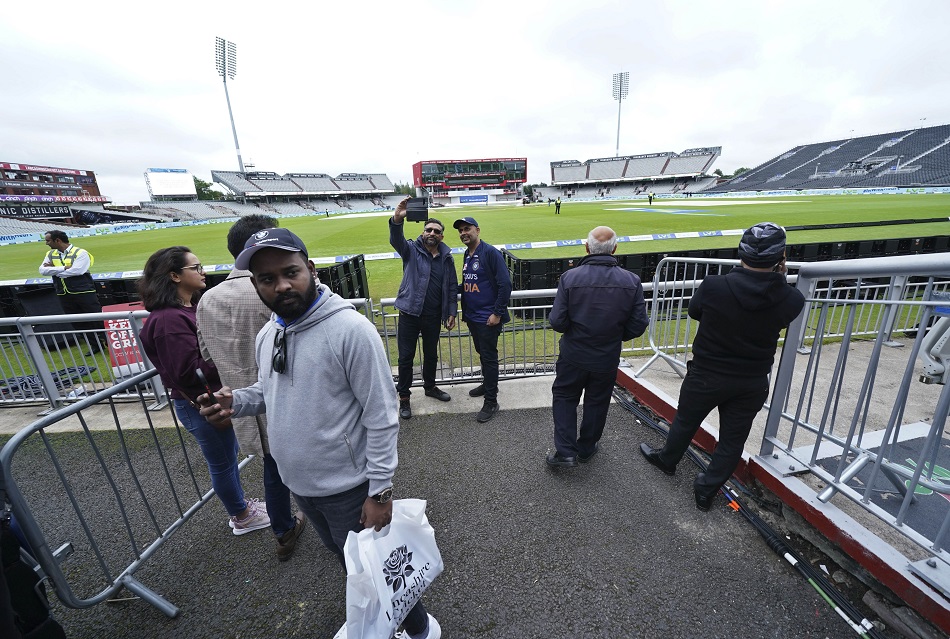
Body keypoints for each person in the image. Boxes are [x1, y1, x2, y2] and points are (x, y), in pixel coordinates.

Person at [197, 229, 440, 639]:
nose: (281, 285)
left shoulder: (351, 330)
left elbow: (381, 417)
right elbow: (272, 391)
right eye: (267, 279)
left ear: (310, 268)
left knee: (378, 567)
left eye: (290, 272)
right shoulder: (269, 333)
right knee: (349, 562)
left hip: (349, 487)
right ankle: (388, 621)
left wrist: (379, 491)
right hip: (301, 485)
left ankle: (418, 631)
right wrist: (236, 401)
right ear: (256, 284)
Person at [640, 222, 806, 510]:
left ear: (741, 253)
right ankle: (706, 491)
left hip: (707, 372)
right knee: (732, 440)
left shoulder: (715, 285)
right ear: (781, 258)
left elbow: (695, 312)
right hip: (751, 380)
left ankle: (667, 461)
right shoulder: (792, 297)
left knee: (685, 422)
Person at [196, 216, 306, 561]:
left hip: (238, 402)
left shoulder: (207, 299)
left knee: (272, 467)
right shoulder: (265, 292)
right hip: (280, 396)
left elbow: (203, 353)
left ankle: (285, 527)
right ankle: (286, 529)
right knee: (283, 468)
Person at [138, 246, 270, 535]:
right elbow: (187, 371)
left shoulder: (183, 311)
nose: (203, 272)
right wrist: (227, 355)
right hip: (200, 403)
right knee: (222, 464)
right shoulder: (168, 320)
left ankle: (242, 507)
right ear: (174, 276)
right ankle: (242, 516)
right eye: (195, 268)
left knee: (228, 458)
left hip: (209, 400)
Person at [546, 226, 649, 468]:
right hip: (606, 356)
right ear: (614, 249)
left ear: (586, 248)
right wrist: (613, 337)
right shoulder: (631, 280)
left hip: (574, 354)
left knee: (564, 397)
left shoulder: (570, 278)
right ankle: (586, 447)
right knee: (597, 402)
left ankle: (565, 452)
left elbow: (557, 321)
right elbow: (638, 325)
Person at [389, 199, 458, 420]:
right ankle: (404, 398)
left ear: (441, 236)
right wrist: (397, 220)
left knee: (431, 355)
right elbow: (396, 239)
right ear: (422, 232)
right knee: (406, 357)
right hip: (409, 313)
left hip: (433, 316)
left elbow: (451, 287)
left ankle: (430, 387)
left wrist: (451, 312)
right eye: (428, 229)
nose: (432, 233)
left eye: (436, 231)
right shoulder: (410, 249)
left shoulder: (447, 258)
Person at [453, 216, 512, 423]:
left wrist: (497, 313)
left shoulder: (490, 253)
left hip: (488, 319)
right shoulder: (467, 255)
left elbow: (505, 285)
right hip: (472, 317)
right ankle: (489, 385)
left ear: (477, 230)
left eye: (467, 229)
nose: (463, 233)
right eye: (460, 230)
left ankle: (491, 401)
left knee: (489, 357)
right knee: (482, 354)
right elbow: (468, 284)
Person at [39, 230, 104, 354]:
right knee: (77, 322)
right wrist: (63, 268)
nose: (46, 243)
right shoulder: (50, 254)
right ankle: (95, 345)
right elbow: (42, 270)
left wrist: (53, 270)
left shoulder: (81, 253)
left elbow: (77, 271)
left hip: (84, 292)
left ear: (57, 240)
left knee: (96, 318)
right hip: (64, 294)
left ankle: (108, 342)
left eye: (48, 240)